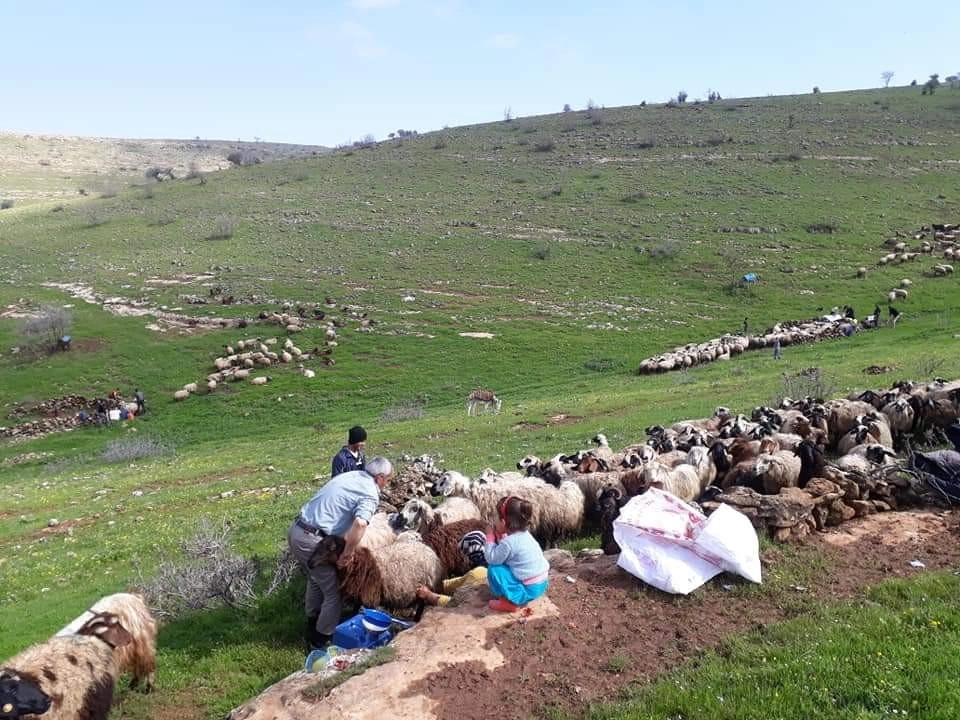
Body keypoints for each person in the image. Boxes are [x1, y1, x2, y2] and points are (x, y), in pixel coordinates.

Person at [287, 456, 393, 650]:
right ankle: (320, 640)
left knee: (316, 579)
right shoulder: (370, 492)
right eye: (388, 479)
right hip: (314, 540)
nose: (387, 483)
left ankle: (312, 624)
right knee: (334, 593)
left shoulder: (352, 476)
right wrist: (347, 553)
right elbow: (360, 523)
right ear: (380, 477)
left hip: (297, 530)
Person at [483, 496, 550, 613]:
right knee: (504, 566)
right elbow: (511, 549)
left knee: (494, 569)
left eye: (496, 519)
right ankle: (516, 595)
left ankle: (509, 603)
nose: (494, 522)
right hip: (541, 585)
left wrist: (489, 537)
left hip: (528, 590)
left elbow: (491, 558)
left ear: (503, 522)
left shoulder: (508, 543)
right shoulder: (525, 534)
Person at [416, 531, 489, 607]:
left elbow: (455, 603)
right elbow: (460, 582)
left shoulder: (477, 576)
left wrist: (429, 595)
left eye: (465, 553)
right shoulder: (490, 570)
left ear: (470, 557)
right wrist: (438, 584)